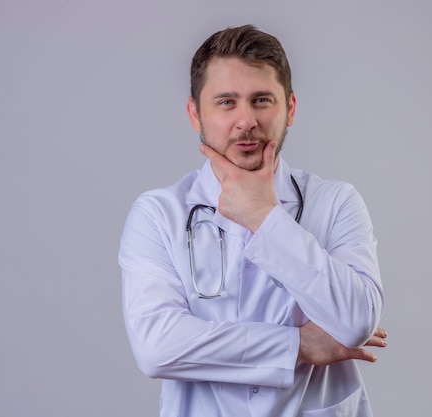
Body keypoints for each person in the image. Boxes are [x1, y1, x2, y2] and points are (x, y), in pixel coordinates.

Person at [119, 24, 386, 417]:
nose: (246, 121)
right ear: (195, 113)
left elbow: (357, 321)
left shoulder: (335, 202)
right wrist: (299, 345)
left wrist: (264, 216)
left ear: (289, 108)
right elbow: (157, 347)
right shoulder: (158, 214)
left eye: (262, 100)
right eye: (226, 102)